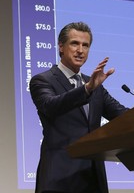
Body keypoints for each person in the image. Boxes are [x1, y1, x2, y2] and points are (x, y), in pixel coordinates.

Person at [29, 22, 128, 193]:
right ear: (61, 47)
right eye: (74, 43)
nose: (80, 50)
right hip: (59, 179)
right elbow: (51, 106)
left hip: (93, 180)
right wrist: (87, 89)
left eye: (85, 45)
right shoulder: (42, 80)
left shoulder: (94, 84)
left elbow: (123, 116)